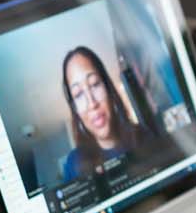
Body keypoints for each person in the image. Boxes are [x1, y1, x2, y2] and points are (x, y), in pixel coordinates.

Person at [60, 45, 142, 180]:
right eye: (78, 94)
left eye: (94, 84)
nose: (92, 103)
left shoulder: (143, 136)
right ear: (75, 110)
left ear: (108, 88)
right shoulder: (73, 164)